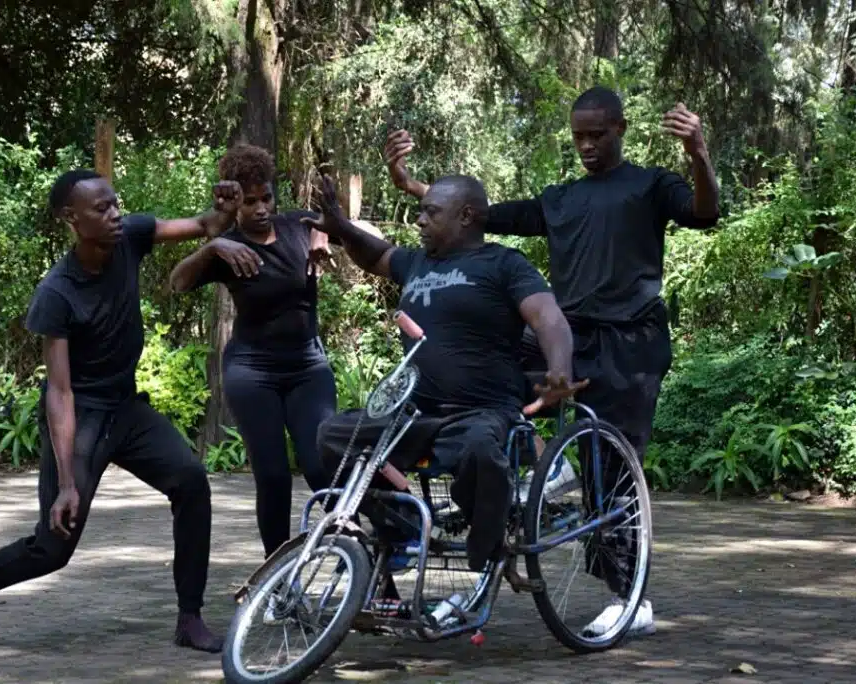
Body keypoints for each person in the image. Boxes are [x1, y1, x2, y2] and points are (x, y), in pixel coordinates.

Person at [383, 86, 721, 636]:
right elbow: (480, 217)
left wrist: (699, 153)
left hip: (629, 342)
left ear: (620, 129)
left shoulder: (650, 185)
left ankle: (631, 599)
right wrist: (415, 187)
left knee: (611, 471)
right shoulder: (560, 199)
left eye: (597, 135)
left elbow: (704, 213)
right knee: (488, 387)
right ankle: (531, 490)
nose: (586, 145)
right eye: (578, 137)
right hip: (566, 335)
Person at [0, 169, 233, 652]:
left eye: (115, 204)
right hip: (82, 415)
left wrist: (224, 211)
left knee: (191, 481)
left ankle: (189, 618)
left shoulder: (129, 237)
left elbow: (202, 223)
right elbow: (60, 393)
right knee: (53, 548)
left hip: (126, 408)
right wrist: (68, 484)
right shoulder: (57, 292)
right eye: (101, 209)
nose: (115, 215)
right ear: (71, 218)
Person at [303, 173, 583, 573]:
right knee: (333, 437)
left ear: (466, 216)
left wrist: (559, 369)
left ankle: (486, 544)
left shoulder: (504, 263)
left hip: (481, 411)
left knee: (482, 453)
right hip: (414, 413)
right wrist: (340, 225)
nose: (419, 220)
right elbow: (375, 254)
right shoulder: (416, 261)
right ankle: (401, 529)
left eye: (429, 212)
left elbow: (548, 317)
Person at [169, 144, 338, 559]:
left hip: (306, 366)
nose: (261, 208)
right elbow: (177, 282)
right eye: (249, 201)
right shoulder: (228, 247)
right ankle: (276, 573)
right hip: (252, 371)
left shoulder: (299, 225)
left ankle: (365, 565)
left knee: (323, 465)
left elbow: (337, 226)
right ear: (236, 203)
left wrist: (324, 234)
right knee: (274, 475)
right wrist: (212, 247)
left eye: (266, 197)